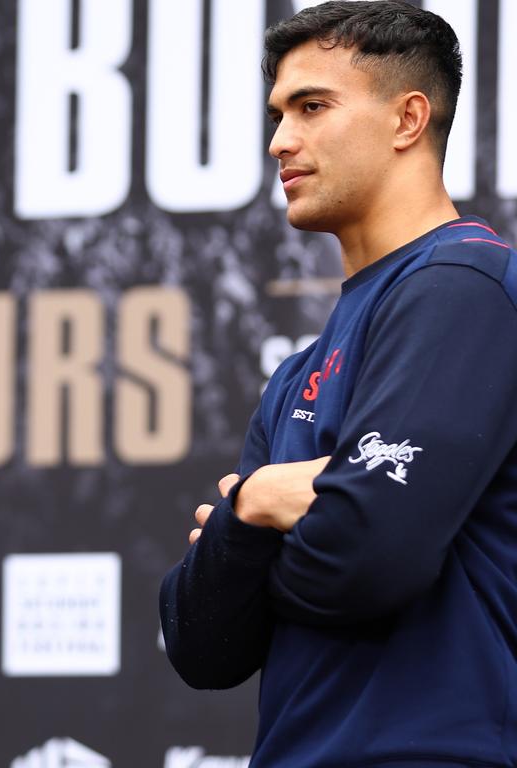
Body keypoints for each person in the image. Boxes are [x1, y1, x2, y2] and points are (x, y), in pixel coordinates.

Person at [160, 2, 517, 765]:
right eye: (278, 114)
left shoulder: (466, 284)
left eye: (313, 107)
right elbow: (203, 643)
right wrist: (260, 505)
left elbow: (367, 560)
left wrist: (248, 522)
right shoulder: (296, 372)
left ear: (407, 119)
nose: (280, 140)